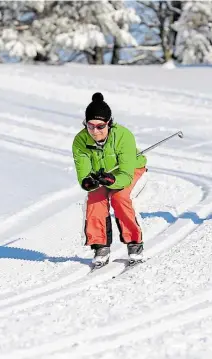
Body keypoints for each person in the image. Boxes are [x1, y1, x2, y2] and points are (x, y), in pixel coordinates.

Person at [72, 92, 147, 267]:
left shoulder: (123, 136)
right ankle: (100, 246)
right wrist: (88, 183)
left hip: (129, 171)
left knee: (119, 198)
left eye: (100, 126)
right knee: (94, 199)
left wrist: (111, 180)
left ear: (109, 124)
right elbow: (83, 173)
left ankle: (134, 243)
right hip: (102, 175)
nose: (95, 131)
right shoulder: (80, 141)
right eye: (90, 126)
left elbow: (126, 175)